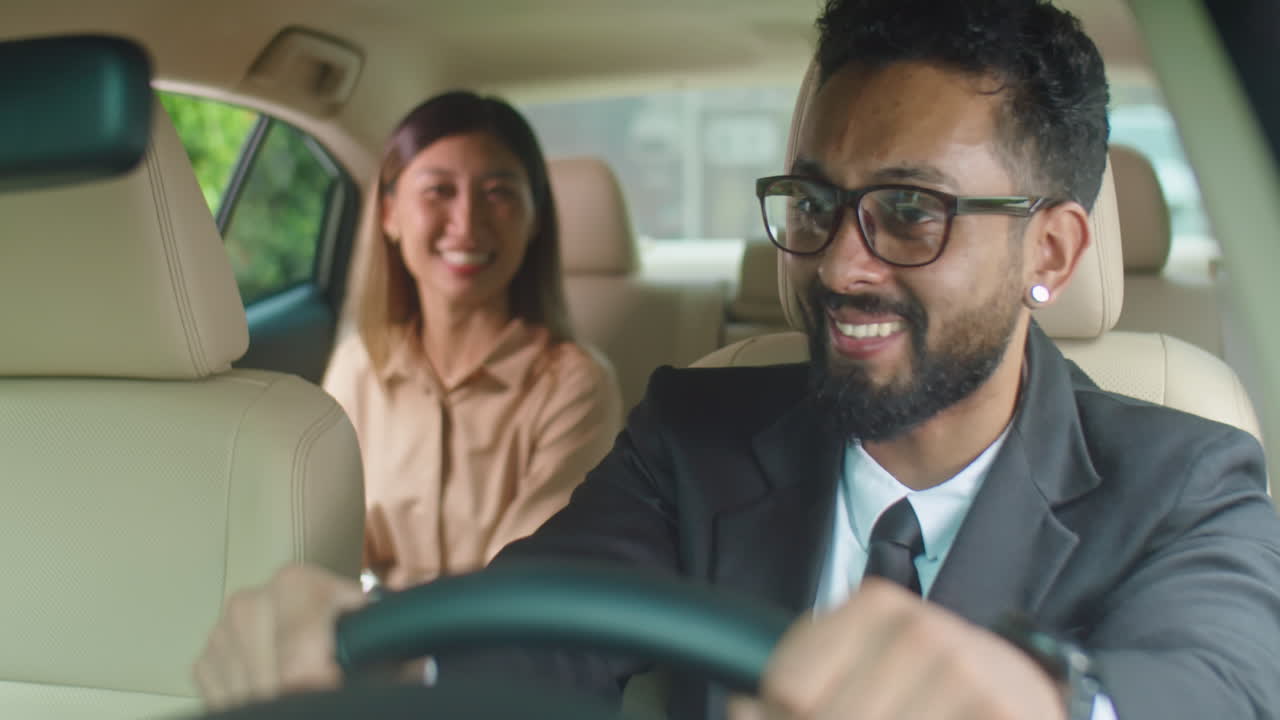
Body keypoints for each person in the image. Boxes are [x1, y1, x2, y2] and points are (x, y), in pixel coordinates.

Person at [193, 2, 1280, 719]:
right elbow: (538, 619)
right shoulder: (694, 432)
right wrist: (387, 661)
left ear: (1049, 250)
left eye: (908, 211)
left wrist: (1042, 703)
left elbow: (1219, 678)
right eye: (812, 202)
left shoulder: (1188, 476)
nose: (837, 265)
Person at [322, 90, 623, 589]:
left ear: (535, 220)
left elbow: (525, 580)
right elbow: (326, 550)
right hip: (369, 647)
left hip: (501, 651)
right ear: (390, 215)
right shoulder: (357, 368)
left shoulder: (576, 386)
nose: (466, 225)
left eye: (498, 193)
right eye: (439, 191)